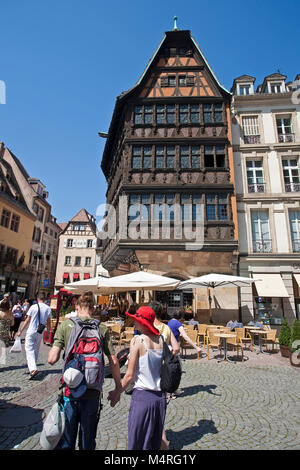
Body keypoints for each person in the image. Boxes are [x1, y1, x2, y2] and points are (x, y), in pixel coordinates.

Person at [48, 291, 121, 450]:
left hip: (70, 392)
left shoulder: (66, 325)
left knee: (67, 440)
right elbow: (114, 361)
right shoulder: (101, 328)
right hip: (93, 392)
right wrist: (118, 388)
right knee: (88, 441)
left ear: (76, 307)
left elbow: (51, 359)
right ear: (93, 308)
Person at [108, 306, 166, 450]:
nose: (134, 323)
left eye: (136, 320)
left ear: (142, 323)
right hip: (160, 399)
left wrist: (117, 392)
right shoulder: (162, 339)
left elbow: (129, 375)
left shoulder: (138, 341)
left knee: (137, 443)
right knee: (154, 443)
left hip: (143, 397)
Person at [149, 300, 180, 450]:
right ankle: (162, 443)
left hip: (149, 373)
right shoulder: (166, 328)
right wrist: (166, 358)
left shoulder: (148, 327)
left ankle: (158, 441)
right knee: (160, 408)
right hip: (163, 373)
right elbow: (176, 349)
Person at [17, 291, 52, 380]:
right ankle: (32, 368)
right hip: (40, 332)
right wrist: (48, 333)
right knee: (36, 350)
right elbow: (48, 322)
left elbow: (27, 320)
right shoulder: (48, 308)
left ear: (37, 299)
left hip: (31, 330)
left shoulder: (33, 307)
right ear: (44, 299)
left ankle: (33, 369)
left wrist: (21, 330)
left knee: (29, 349)